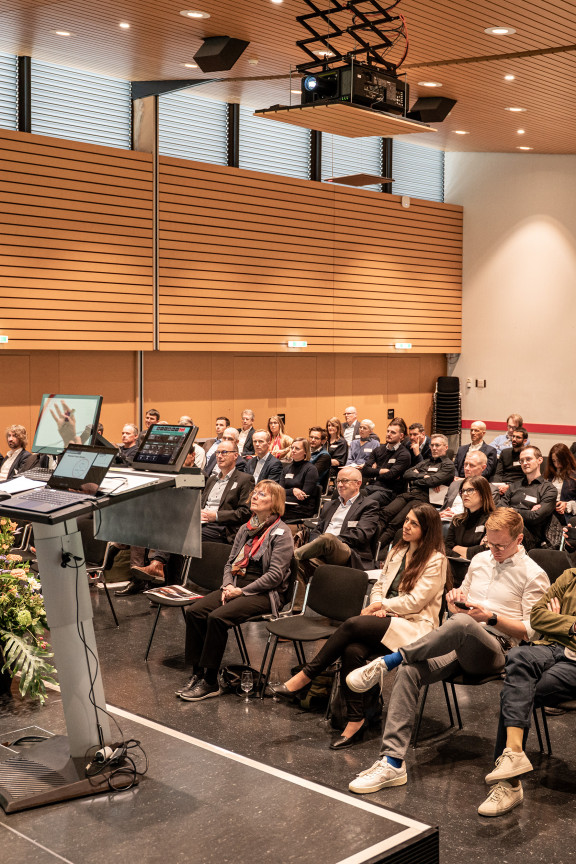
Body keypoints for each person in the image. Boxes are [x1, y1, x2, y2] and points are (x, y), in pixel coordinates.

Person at [346, 508, 549, 795]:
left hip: (497, 650)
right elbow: (460, 604)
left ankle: (390, 659)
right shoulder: (480, 560)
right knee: (410, 670)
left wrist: (489, 617)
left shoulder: (534, 574)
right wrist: (455, 603)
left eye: (501, 546)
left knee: (464, 624)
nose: (494, 551)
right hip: (457, 637)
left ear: (519, 539)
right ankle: (392, 762)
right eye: (490, 543)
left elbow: (531, 632)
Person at [271, 504, 448, 749]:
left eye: (414, 523)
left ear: (427, 530)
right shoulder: (399, 550)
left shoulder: (437, 560)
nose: (406, 526)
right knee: (352, 650)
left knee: (352, 624)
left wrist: (381, 606)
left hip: (414, 626)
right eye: (406, 520)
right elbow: (379, 585)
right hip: (386, 619)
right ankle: (355, 720)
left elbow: (416, 602)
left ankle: (305, 676)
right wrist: (378, 604)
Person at [178, 480, 294, 702]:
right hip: (236, 584)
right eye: (255, 492)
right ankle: (198, 673)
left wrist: (241, 592)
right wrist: (228, 585)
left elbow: (275, 576)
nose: (255, 496)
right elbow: (230, 563)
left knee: (217, 618)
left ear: (275, 503)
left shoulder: (282, 533)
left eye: (262, 494)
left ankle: (211, 682)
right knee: (195, 612)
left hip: (265, 592)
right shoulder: (246, 528)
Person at [477, 567, 576, 816]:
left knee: (518, 689)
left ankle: (509, 784)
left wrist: (558, 623)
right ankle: (514, 755)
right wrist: (571, 626)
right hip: (552, 647)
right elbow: (537, 616)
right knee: (519, 656)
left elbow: (546, 620)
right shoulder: (570, 576)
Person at [294, 467, 379, 577]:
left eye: (345, 481)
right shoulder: (329, 505)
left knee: (328, 538)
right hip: (322, 550)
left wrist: (333, 542)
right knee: (297, 566)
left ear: (358, 484)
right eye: (338, 481)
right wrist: (319, 544)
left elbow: (361, 534)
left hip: (349, 551)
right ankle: (295, 562)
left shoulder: (369, 505)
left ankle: (292, 555)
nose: (339, 485)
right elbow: (317, 530)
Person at [378, 434, 455, 547]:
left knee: (396, 523)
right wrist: (423, 476)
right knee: (384, 514)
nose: (434, 448)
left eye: (437, 445)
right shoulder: (426, 462)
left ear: (446, 447)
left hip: (425, 499)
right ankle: (368, 544)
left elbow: (432, 481)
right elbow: (406, 474)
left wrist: (415, 480)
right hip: (410, 494)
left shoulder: (448, 465)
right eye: (432, 445)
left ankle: (376, 548)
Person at [498, 445, 558, 548]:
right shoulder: (514, 486)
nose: (524, 463)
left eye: (528, 459)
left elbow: (535, 517)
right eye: (521, 461)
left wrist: (512, 510)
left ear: (539, 460)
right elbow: (499, 508)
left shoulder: (549, 489)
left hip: (531, 538)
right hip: (505, 530)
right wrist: (527, 512)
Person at [445, 475, 495, 559]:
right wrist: (461, 557)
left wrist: (457, 548)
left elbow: (487, 550)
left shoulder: (493, 520)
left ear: (483, 493)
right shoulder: (457, 520)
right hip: (456, 564)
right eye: (463, 491)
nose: (465, 494)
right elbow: (446, 548)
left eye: (470, 490)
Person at [363, 421, 411, 506]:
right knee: (351, 496)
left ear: (401, 436)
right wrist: (380, 471)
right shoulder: (378, 450)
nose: (389, 434)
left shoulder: (404, 454)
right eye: (388, 431)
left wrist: (374, 472)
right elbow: (365, 470)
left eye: (393, 432)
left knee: (365, 502)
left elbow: (391, 475)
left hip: (389, 491)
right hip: (372, 487)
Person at [280, 438, 319, 526]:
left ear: (305, 452)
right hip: (286, 505)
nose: (293, 450)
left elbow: (304, 495)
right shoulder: (286, 468)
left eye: (297, 448)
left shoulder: (311, 469)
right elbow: (279, 490)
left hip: (302, 508)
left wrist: (286, 494)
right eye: (292, 448)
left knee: (273, 515)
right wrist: (293, 491)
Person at [544, 442, 576, 522]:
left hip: (566, 516)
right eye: (554, 461)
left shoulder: (574, 476)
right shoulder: (548, 475)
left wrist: (567, 505)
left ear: (566, 459)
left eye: (559, 461)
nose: (557, 464)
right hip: (547, 513)